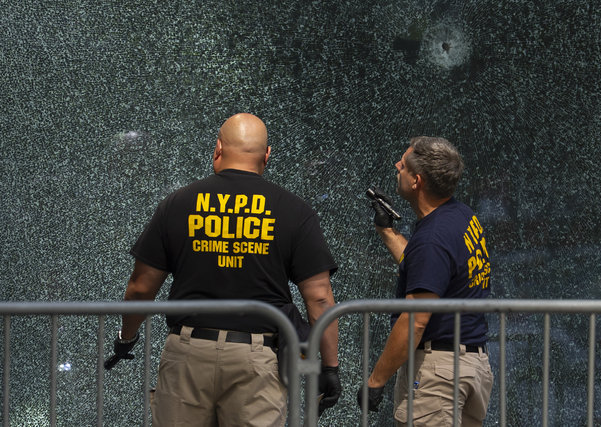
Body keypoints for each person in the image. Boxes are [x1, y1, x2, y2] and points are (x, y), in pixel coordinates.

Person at [104, 113, 341, 426]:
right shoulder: (294, 211)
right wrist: (330, 368)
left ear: (217, 149)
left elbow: (141, 288)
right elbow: (320, 299)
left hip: (188, 354)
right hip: (257, 360)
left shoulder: (178, 203)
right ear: (267, 155)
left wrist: (127, 337)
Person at [358, 136, 493, 426]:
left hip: (438, 377)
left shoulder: (432, 239)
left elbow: (415, 321)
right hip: (471, 365)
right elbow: (431, 270)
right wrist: (387, 231)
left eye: (403, 165)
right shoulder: (462, 216)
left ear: (417, 181)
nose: (397, 165)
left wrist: (376, 380)